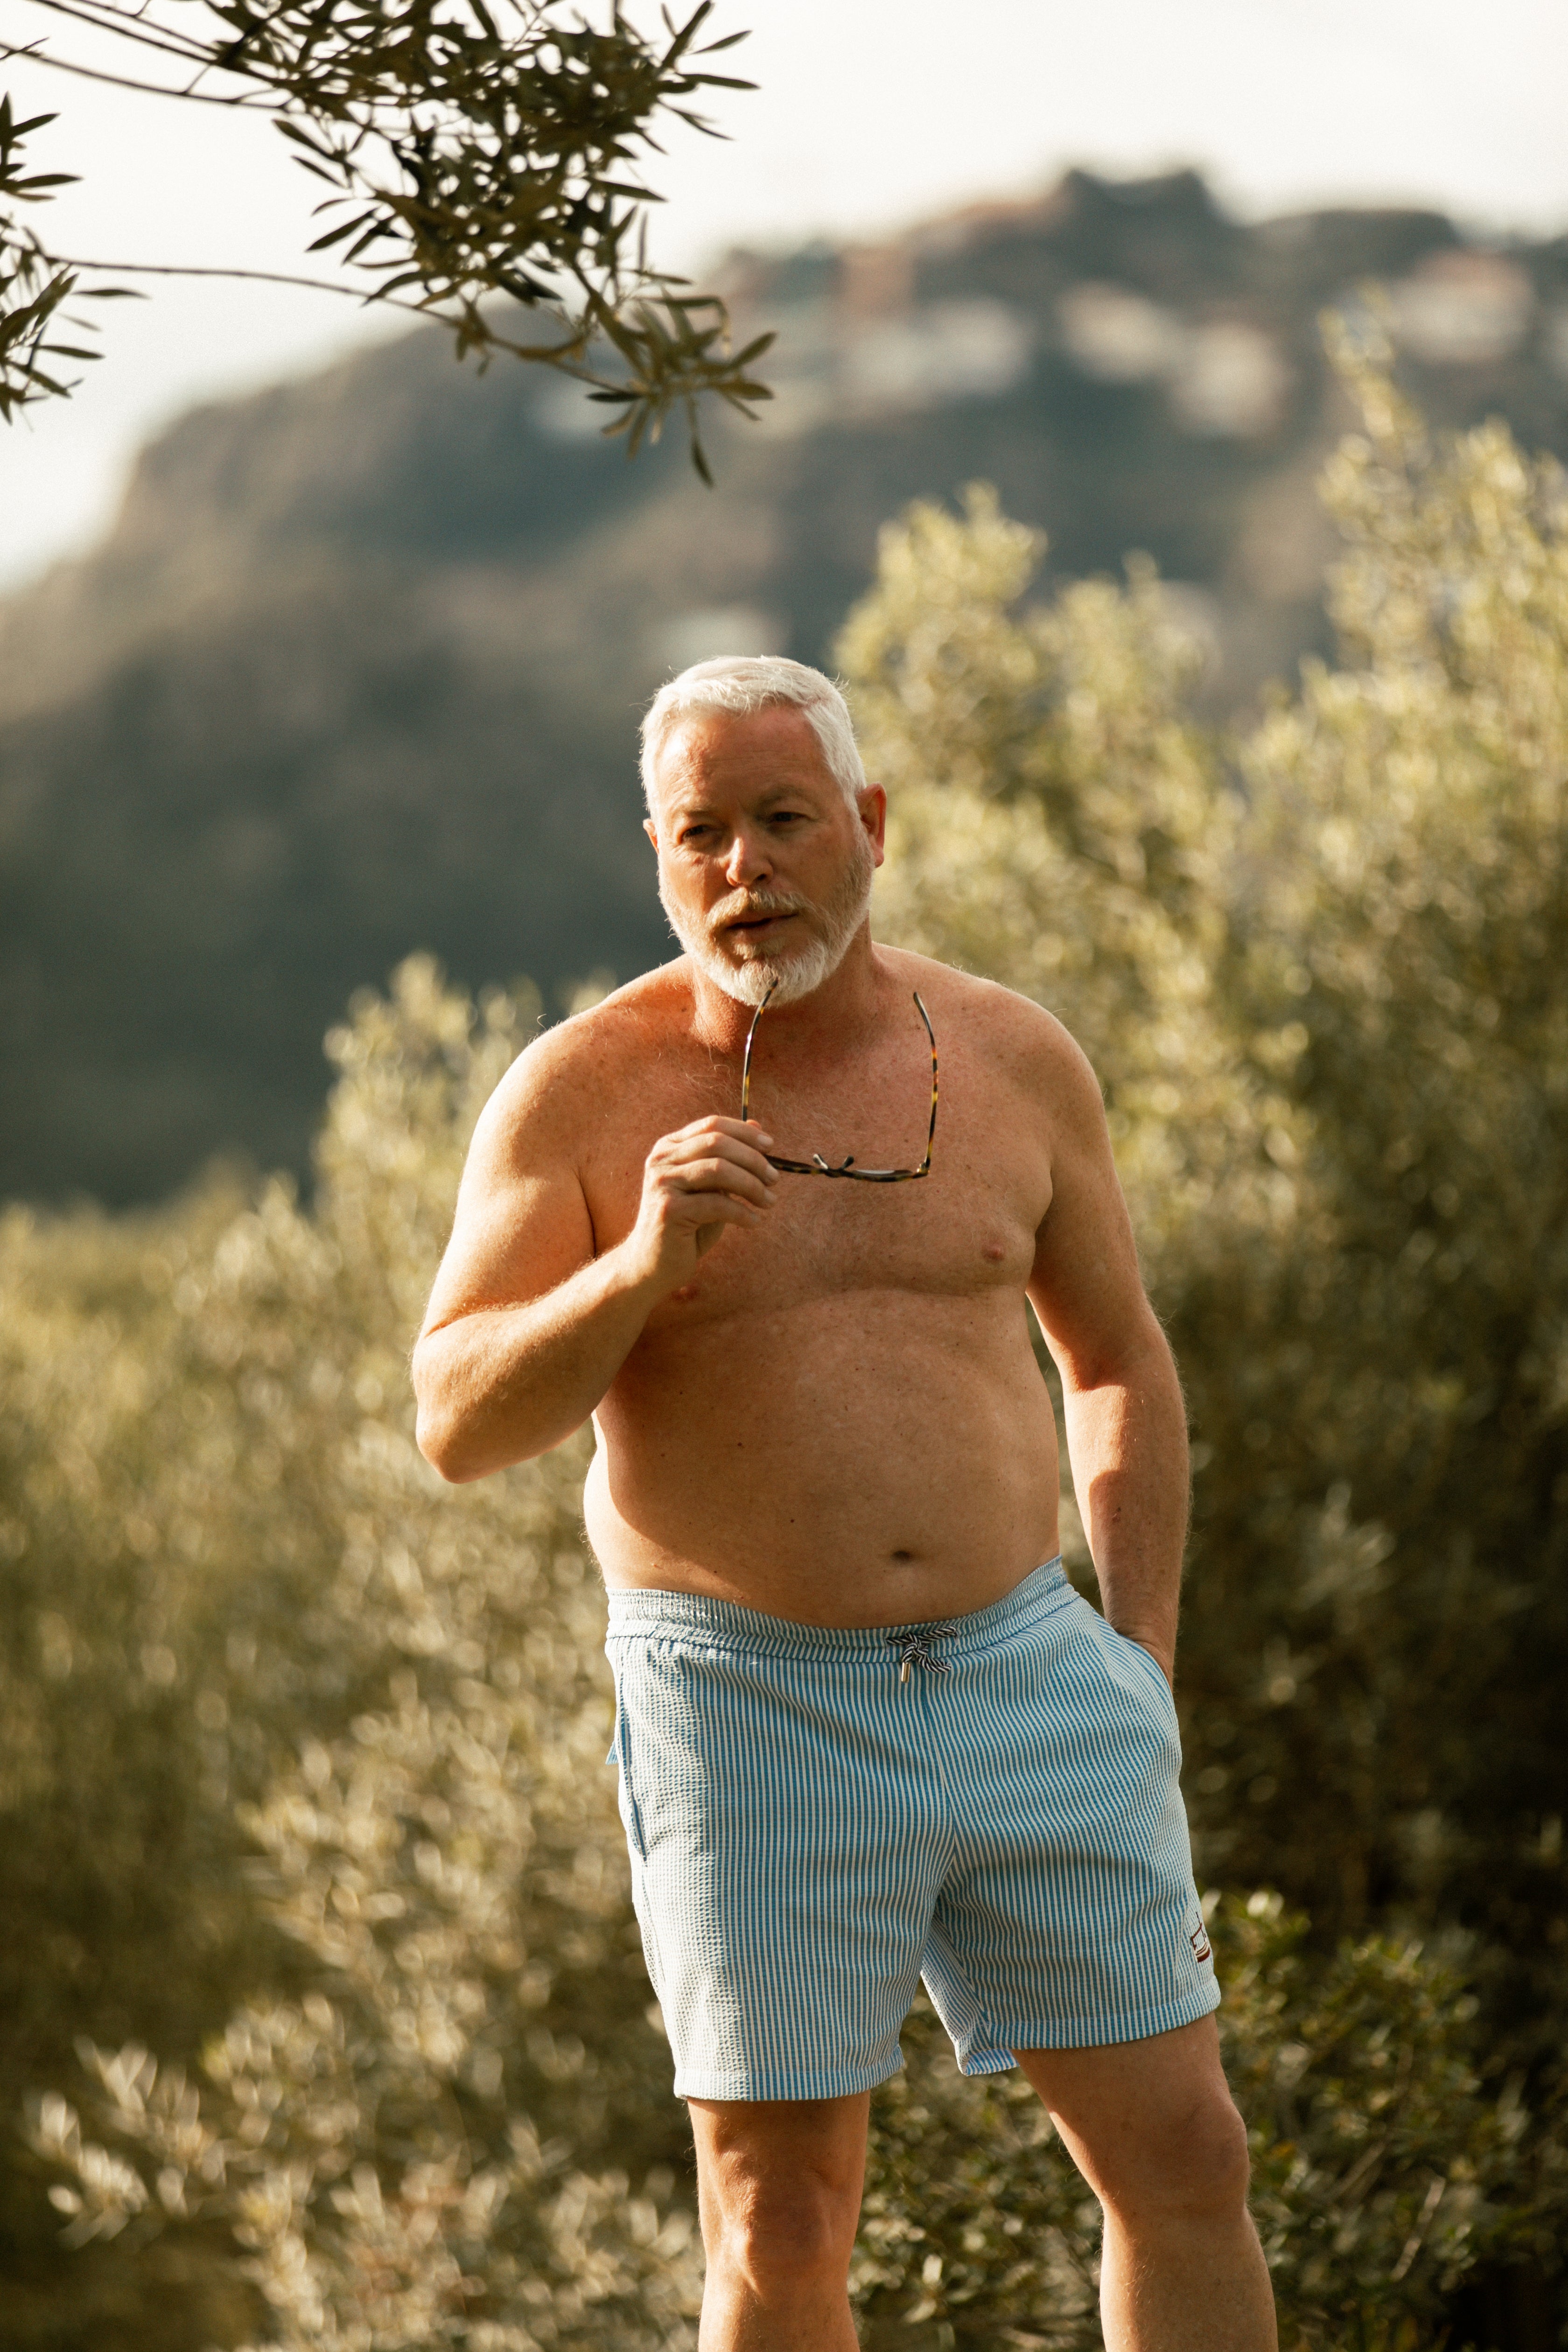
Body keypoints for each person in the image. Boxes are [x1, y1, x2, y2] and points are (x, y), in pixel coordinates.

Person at [412, 656, 1277, 2352]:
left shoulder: (1019, 1060)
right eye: (701, 835)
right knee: (784, 2222)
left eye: (783, 820)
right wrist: (645, 1267)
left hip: (1035, 1673)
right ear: (656, 857)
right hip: (744, 1707)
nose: (745, 870)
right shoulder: (580, 1094)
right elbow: (455, 1420)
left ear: (869, 825)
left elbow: (1118, 1364)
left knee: (1186, 2155)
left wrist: (1140, 1663)